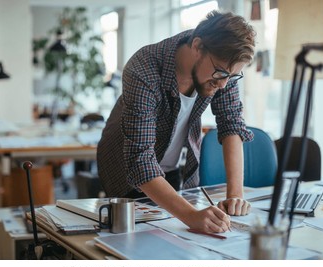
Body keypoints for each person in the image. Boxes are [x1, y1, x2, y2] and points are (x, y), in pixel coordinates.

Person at [97, 10, 256, 234]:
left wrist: (235, 196)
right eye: (221, 74)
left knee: (175, 238)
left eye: (232, 77)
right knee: (136, 244)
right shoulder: (144, 67)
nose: (223, 85)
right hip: (126, 172)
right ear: (197, 46)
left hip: (170, 171)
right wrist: (191, 215)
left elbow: (231, 124)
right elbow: (139, 160)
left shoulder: (223, 67)